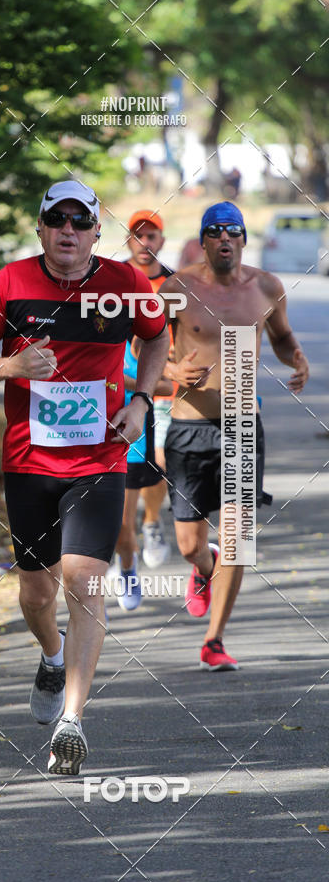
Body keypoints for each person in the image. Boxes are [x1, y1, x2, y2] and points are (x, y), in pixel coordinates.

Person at [0, 180, 169, 773]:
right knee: (35, 591)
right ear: (42, 227)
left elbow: (157, 339)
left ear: (97, 231)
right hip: (30, 462)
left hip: (100, 458)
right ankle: (51, 655)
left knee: (84, 581)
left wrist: (142, 400)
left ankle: (73, 719)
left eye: (81, 222)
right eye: (58, 221)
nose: (68, 231)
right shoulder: (10, 284)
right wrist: (12, 364)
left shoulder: (126, 284)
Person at [162, 201, 309, 670]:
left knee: (238, 536)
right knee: (188, 542)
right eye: (215, 232)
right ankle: (202, 567)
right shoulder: (177, 288)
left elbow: (281, 336)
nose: (224, 239)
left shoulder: (266, 286)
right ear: (204, 241)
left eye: (233, 232)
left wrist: (297, 358)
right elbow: (139, 348)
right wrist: (171, 371)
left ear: (243, 239)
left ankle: (215, 639)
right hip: (188, 426)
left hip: (245, 425)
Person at [125, 210, 175, 568]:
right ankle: (120, 544)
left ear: (162, 241)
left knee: (159, 463)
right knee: (125, 473)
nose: (145, 243)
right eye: (137, 236)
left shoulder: (176, 284)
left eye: (152, 235)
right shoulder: (113, 280)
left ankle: (152, 522)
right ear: (128, 241)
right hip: (124, 387)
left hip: (168, 388)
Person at [114, 334, 173, 610]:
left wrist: (114, 379)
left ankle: (127, 567)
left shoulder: (135, 341)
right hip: (81, 442)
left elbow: (164, 385)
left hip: (129, 442)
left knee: (122, 525)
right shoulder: (72, 335)